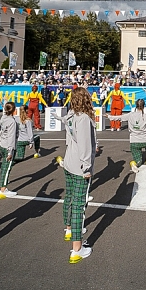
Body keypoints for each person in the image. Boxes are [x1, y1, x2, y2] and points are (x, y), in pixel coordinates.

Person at [54, 88, 97, 263]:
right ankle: (76, 248)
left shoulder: (71, 114)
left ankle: (69, 228)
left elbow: (69, 136)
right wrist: (87, 168)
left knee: (69, 197)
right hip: (79, 166)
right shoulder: (84, 118)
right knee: (79, 206)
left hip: (69, 162)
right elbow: (85, 146)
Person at [108, 99, 146, 174]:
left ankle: (134, 163)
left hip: (134, 141)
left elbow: (120, 117)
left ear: (136, 106)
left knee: (139, 161)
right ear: (143, 107)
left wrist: (110, 116)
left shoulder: (130, 115)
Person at [0, 102, 19, 199]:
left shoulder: (4, 118)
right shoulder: (12, 122)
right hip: (8, 146)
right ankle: (3, 189)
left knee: (4, 167)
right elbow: (11, 137)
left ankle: (2, 184)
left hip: (2, 144)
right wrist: (10, 151)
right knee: (7, 168)